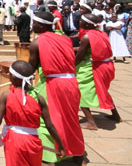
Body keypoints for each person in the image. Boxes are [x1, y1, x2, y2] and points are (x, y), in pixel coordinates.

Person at [29, 12, 85, 165]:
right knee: (71, 119)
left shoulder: (37, 42)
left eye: (34, 22)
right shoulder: (66, 39)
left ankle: (49, 156)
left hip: (53, 85)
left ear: (42, 25)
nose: (32, 25)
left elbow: (30, 69)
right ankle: (78, 155)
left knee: (45, 119)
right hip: (71, 83)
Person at [0, 60, 66, 166]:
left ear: (13, 78)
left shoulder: (6, 96)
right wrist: (61, 145)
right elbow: (50, 126)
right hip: (33, 141)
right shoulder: (39, 99)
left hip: (14, 141)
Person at [75, 14, 121, 130]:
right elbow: (87, 48)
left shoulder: (87, 37)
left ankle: (91, 122)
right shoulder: (101, 33)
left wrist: (71, 67)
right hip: (106, 65)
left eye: (81, 21)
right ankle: (116, 116)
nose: (79, 22)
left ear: (87, 24)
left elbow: (80, 56)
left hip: (93, 67)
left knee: (81, 91)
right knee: (103, 90)